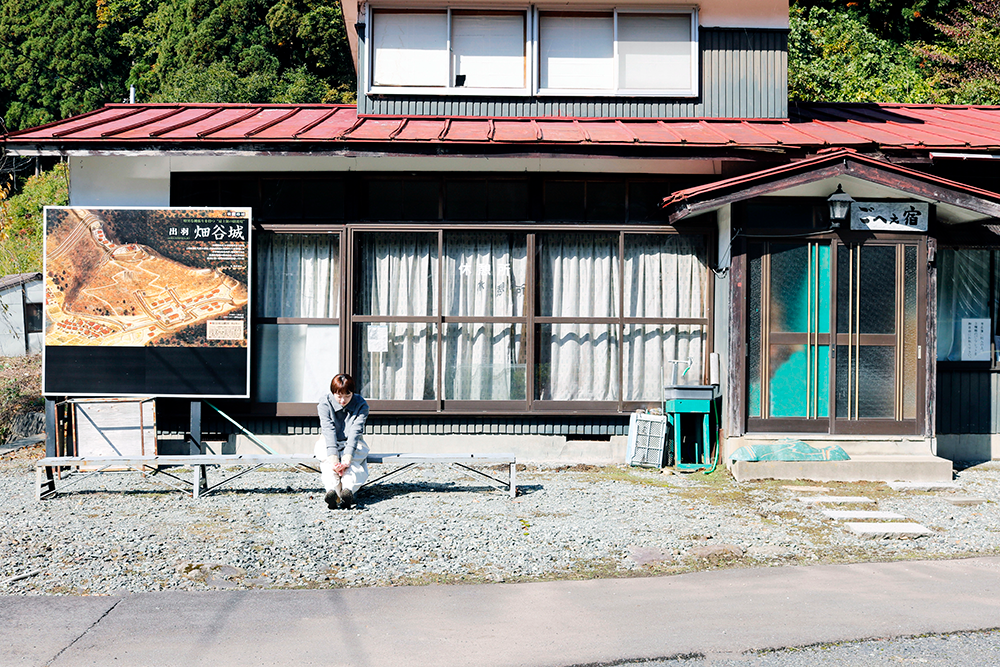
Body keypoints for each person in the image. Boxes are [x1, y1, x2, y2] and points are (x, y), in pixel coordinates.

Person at [315, 373, 370, 509]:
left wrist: (346, 458)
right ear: (333, 392)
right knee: (328, 462)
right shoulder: (324, 403)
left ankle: (343, 491)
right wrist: (335, 460)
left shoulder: (361, 404)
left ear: (353, 393)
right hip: (329, 441)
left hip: (353, 442)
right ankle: (338, 491)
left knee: (353, 462)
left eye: (347, 395)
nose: (343, 400)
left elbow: (355, 431)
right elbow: (328, 431)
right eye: (339, 396)